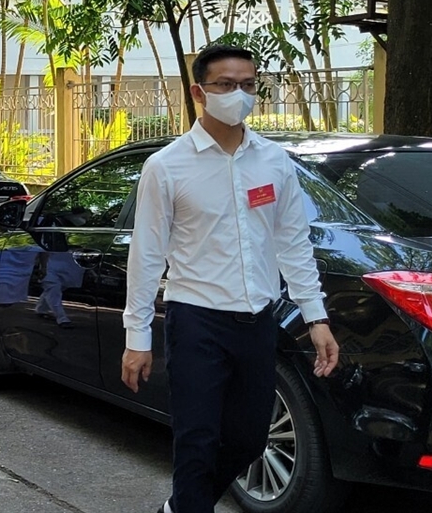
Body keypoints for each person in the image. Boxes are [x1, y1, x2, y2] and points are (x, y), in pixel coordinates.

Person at [121, 44, 340, 513]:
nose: (237, 94)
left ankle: (181, 506)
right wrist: (136, 336)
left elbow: (293, 243)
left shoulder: (274, 162)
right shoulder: (166, 167)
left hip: (258, 321)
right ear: (200, 92)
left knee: (248, 440)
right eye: (225, 84)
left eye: (247, 84)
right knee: (197, 442)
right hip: (196, 319)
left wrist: (315, 316)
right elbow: (147, 256)